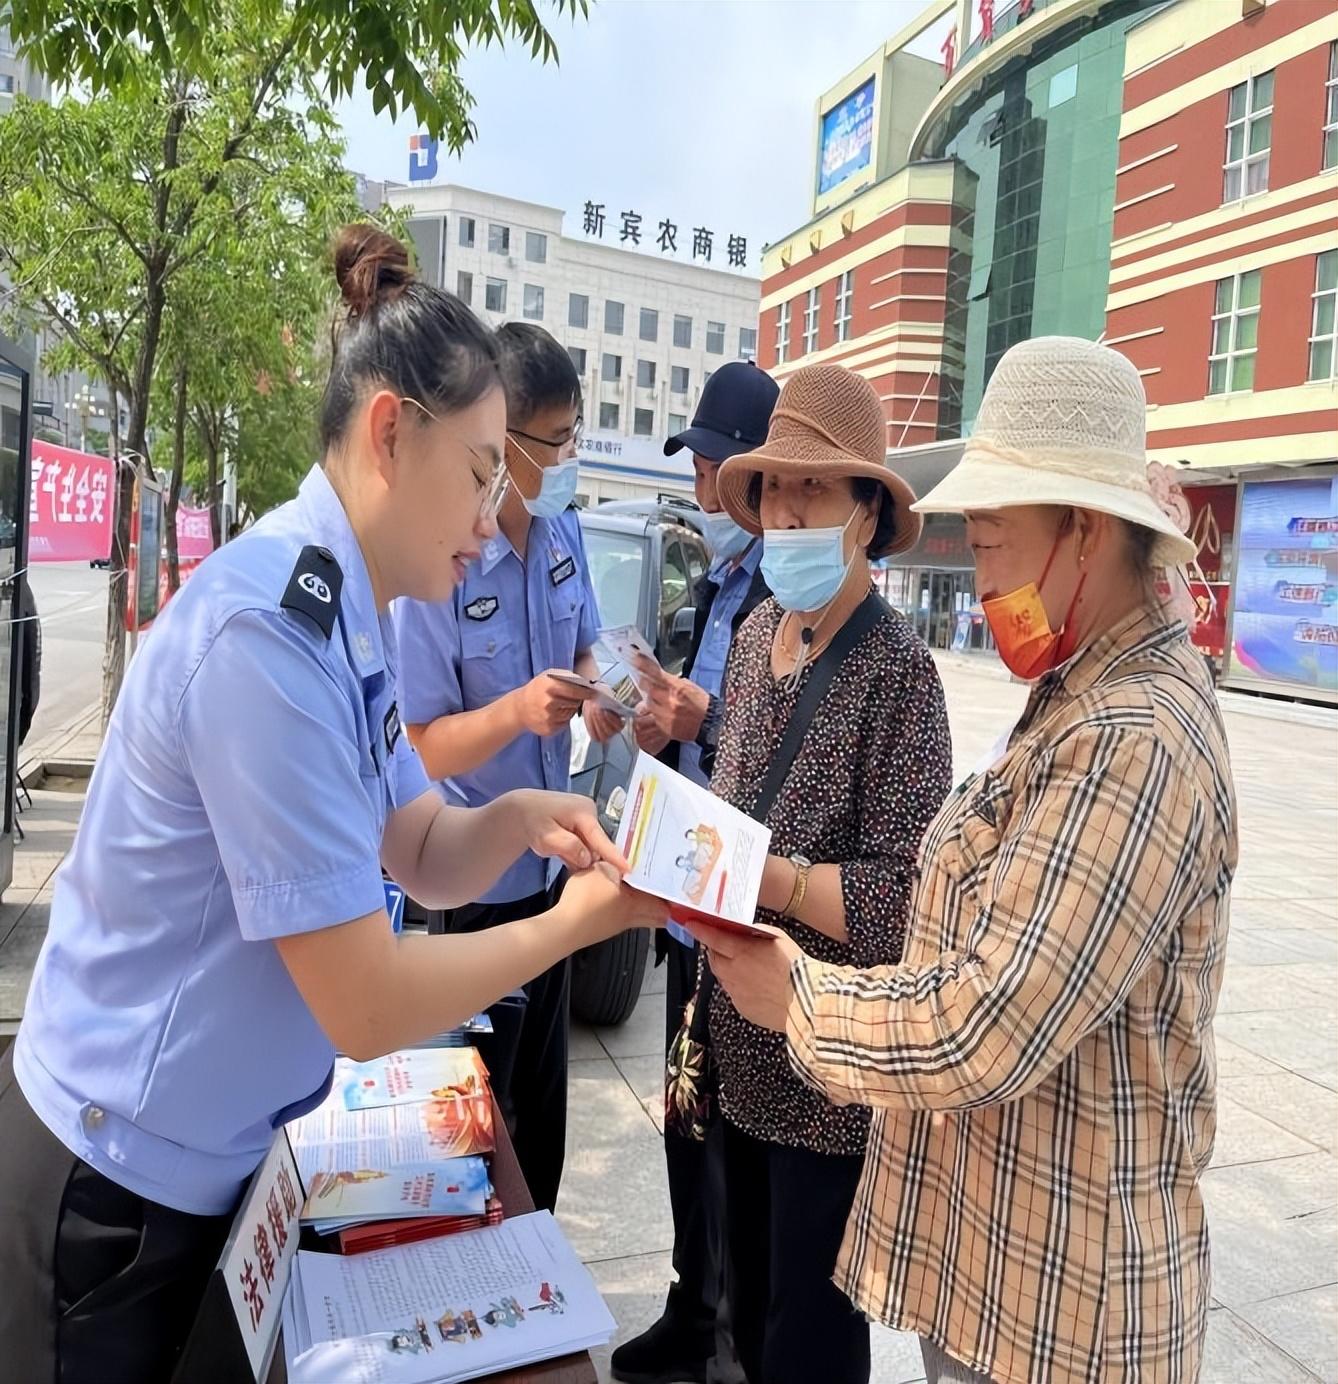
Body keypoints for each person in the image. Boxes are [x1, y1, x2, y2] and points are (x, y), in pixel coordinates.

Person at [0, 225, 665, 1384]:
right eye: (478, 473)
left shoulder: (349, 614)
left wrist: (516, 825)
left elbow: (416, 843)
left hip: (208, 1166)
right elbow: (363, 1002)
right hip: (112, 1191)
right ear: (390, 435)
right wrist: (573, 925)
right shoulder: (272, 632)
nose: (487, 519)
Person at [690, 337, 1236, 1384]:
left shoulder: (1138, 737)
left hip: (1069, 1314)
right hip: (1006, 1273)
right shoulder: (1074, 694)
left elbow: (990, 1018)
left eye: (989, 543)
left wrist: (797, 992)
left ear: (1081, 531)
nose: (978, 575)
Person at [674, 364, 953, 1384]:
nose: (788, 508)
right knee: (741, 1317)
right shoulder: (754, 637)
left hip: (826, 1076)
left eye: (815, 490)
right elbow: (731, 788)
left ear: (867, 512)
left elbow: (905, 900)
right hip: (733, 1047)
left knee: (811, 1342)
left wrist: (775, 880)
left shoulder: (900, 673)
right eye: (776, 487)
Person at [393, 321, 622, 1214]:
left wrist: (601, 698)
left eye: (574, 436)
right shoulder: (445, 558)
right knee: (471, 1129)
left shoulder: (563, 534)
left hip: (553, 869)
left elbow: (588, 647)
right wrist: (517, 711)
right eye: (557, 441)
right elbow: (421, 743)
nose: (568, 458)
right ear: (506, 442)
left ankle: (538, 1271)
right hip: (472, 879)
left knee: (541, 1117)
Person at [612, 360, 778, 1384]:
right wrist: (655, 720)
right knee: (684, 1121)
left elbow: (774, 748)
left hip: (737, 915)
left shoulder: (782, 596)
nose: (700, 488)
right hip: (683, 908)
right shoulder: (717, 586)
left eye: (713, 467)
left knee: (731, 1148)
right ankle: (691, 1299)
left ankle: (726, 1341)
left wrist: (703, 719)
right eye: (698, 466)